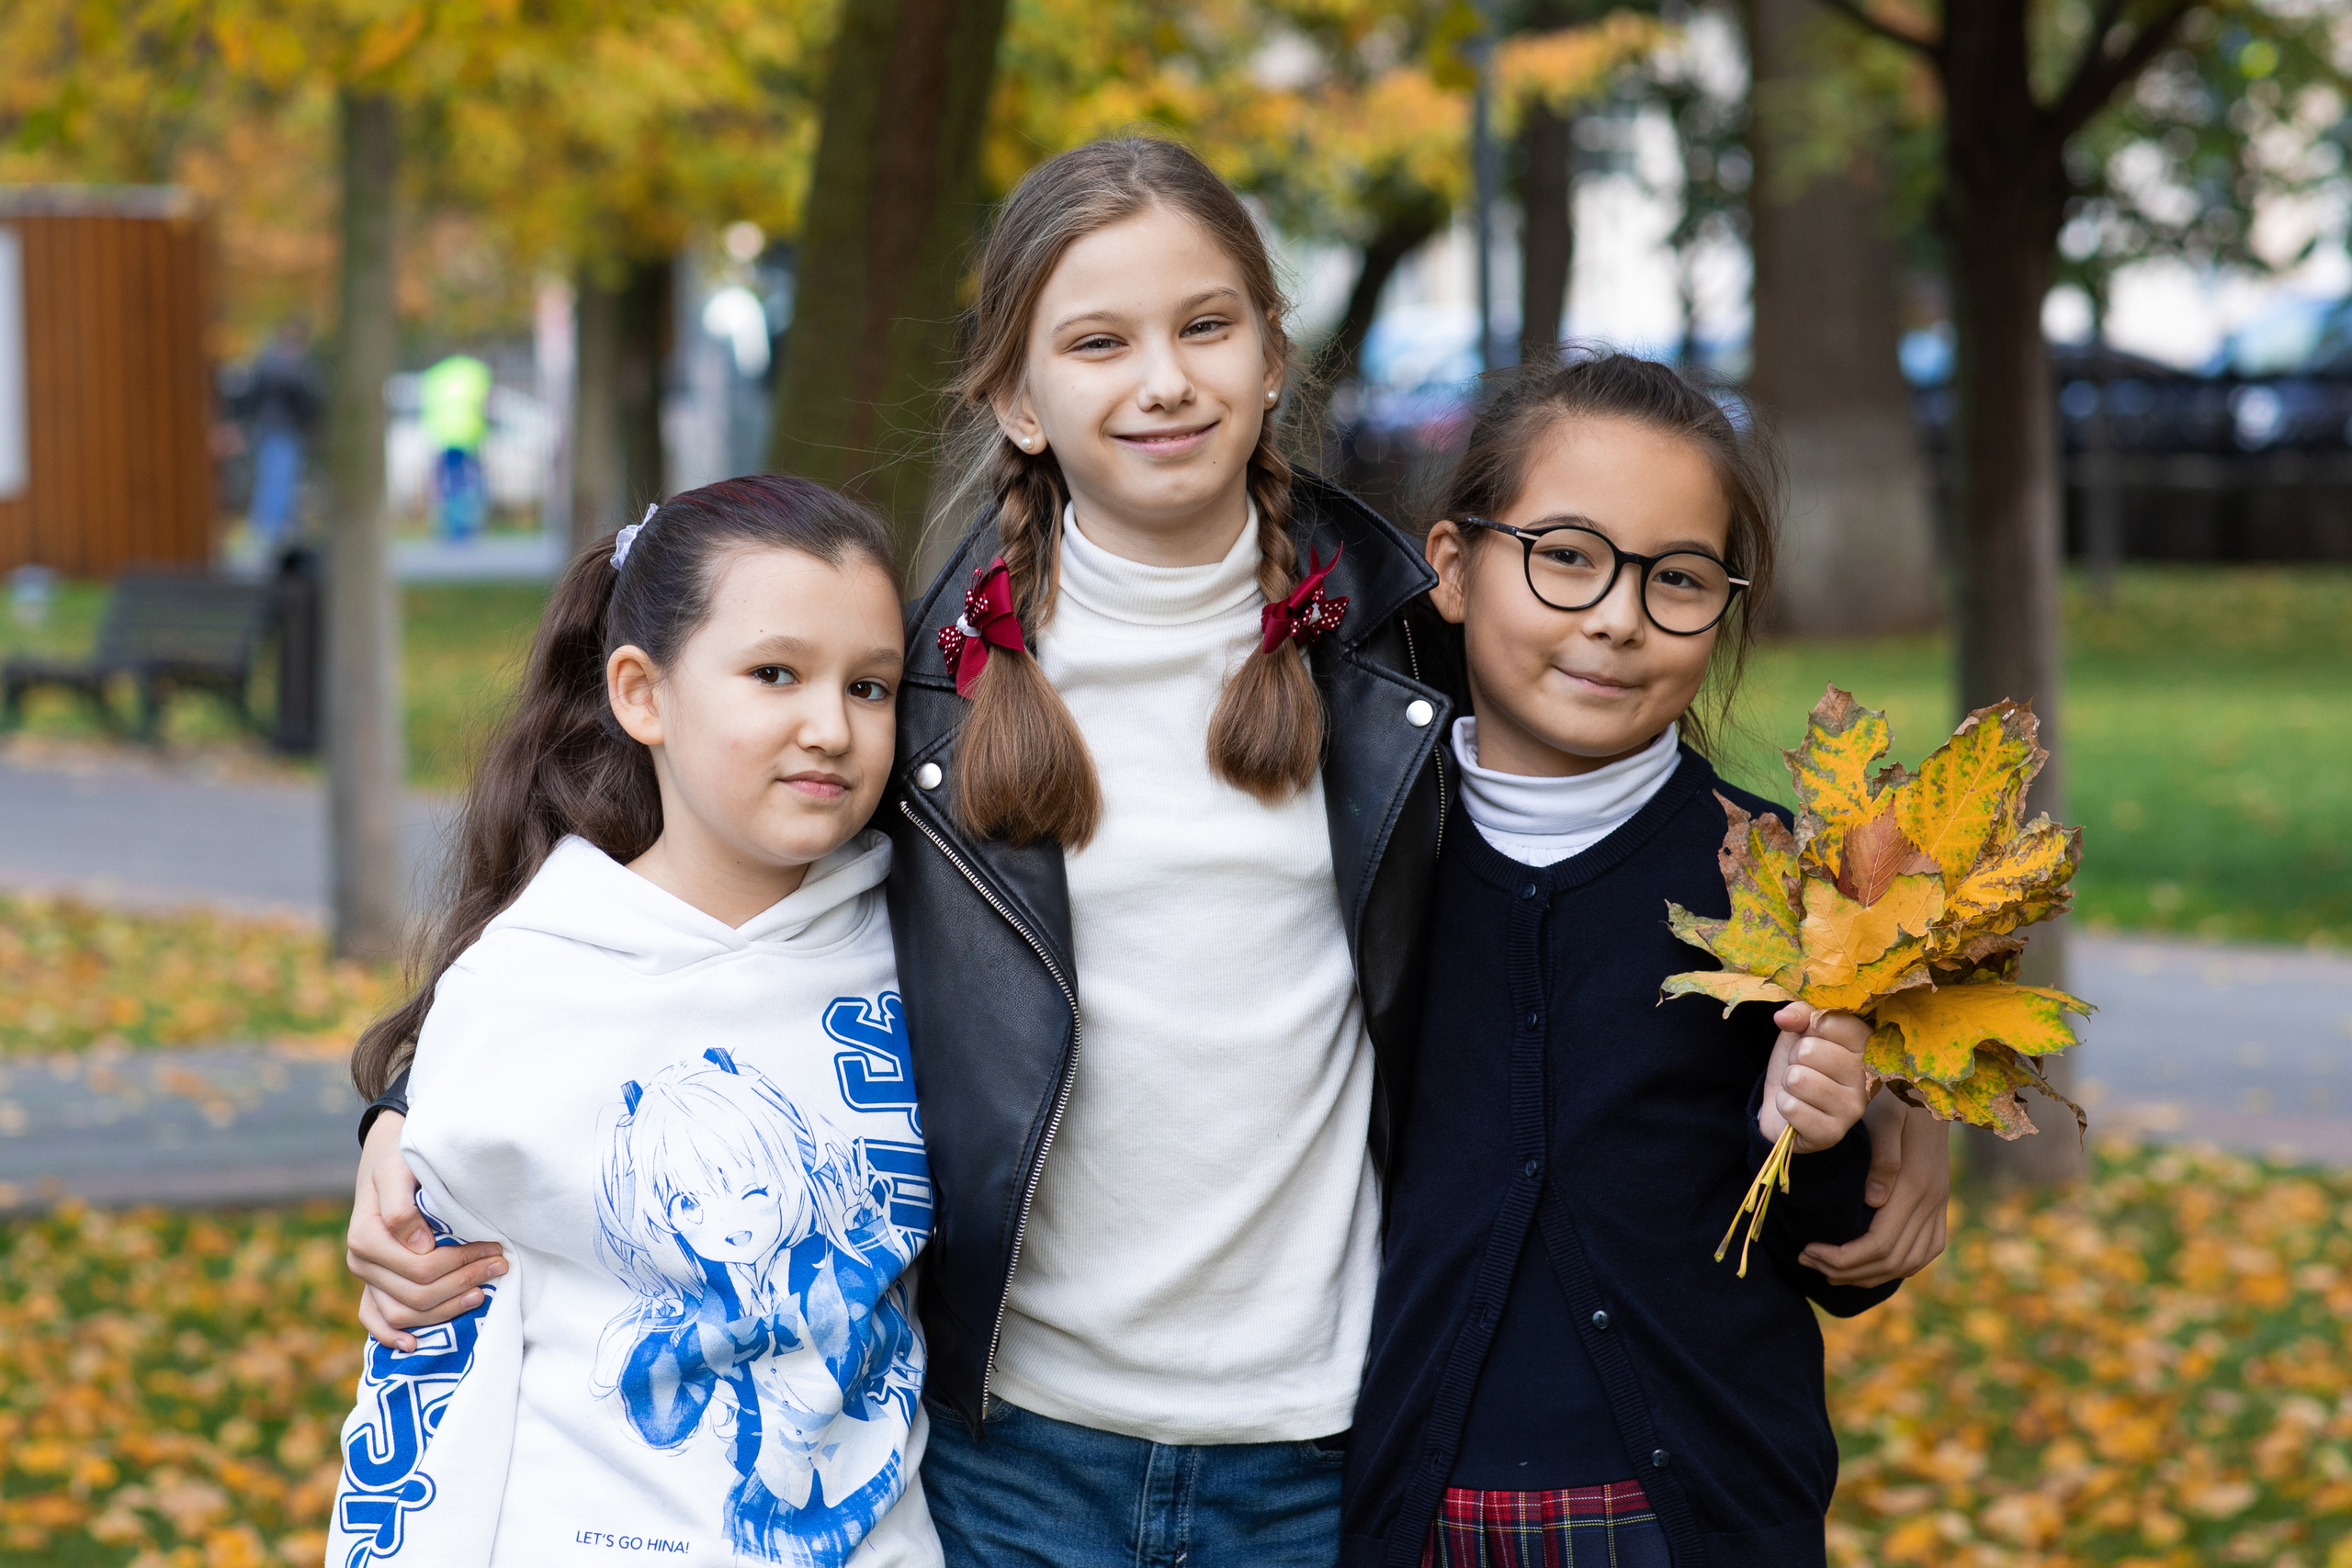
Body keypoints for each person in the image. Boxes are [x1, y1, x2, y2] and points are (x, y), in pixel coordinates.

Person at [343, 138, 1950, 1566]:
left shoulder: (1399, 650)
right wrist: (414, 1101)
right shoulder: (917, 693)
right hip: (1015, 1452)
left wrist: (1883, 1066)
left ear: (1270, 355)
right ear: (1019, 401)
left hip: (1324, 1446)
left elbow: (1638, 800)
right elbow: (678, 882)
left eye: (1205, 326)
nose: (1162, 379)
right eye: (1097, 342)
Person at [1340, 354, 1902, 1568]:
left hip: (1699, 1519)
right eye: (1567, 554)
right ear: (1452, 564)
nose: (1617, 615)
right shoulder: (1369, 856)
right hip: (1414, 1514)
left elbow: (1849, 1259)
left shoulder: (1780, 882)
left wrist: (1821, 1132)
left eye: (1679, 578)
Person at [327, 475, 941, 1567]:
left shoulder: (933, 954)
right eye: (774, 674)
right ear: (641, 695)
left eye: (872, 687)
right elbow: (434, 1377)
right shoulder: (524, 985)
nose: (830, 727)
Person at [236, 321, 321, 548]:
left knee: (273, 479)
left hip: (269, 431)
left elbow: (251, 398)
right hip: (284, 431)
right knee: (279, 480)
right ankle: (270, 531)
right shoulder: (293, 368)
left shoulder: (266, 364)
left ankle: (271, 529)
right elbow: (305, 402)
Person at [420, 352, 492, 540]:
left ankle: (453, 526)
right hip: (469, 435)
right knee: (468, 483)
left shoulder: (436, 374)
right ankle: (466, 525)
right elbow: (486, 404)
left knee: (448, 484)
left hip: (443, 435)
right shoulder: (477, 372)